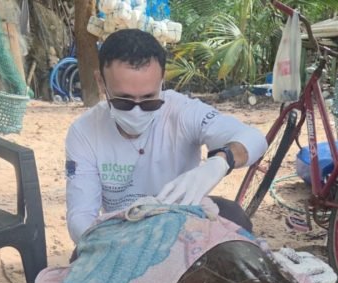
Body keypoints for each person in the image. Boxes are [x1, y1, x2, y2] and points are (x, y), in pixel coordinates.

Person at [64, 28, 267, 244]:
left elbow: (253, 138)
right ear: (101, 82)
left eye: (150, 100)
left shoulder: (182, 112)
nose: (137, 111)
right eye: (124, 101)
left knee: (232, 215)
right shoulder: (84, 132)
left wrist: (220, 162)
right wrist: (107, 244)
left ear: (161, 81)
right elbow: (81, 216)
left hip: (183, 228)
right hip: (122, 234)